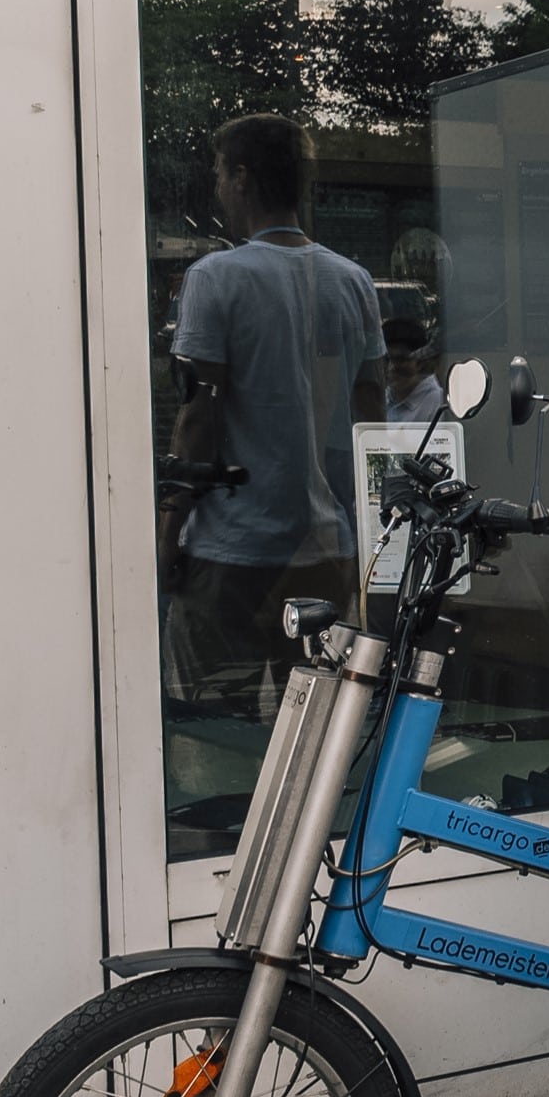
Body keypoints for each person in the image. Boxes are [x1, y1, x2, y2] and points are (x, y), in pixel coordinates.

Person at [161, 112, 385, 712]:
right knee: (313, 725)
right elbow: (371, 419)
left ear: (240, 176)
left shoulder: (215, 279)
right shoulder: (353, 281)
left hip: (232, 552)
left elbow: (197, 420)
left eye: (217, 172)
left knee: (209, 723)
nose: (214, 187)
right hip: (325, 552)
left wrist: (164, 540)